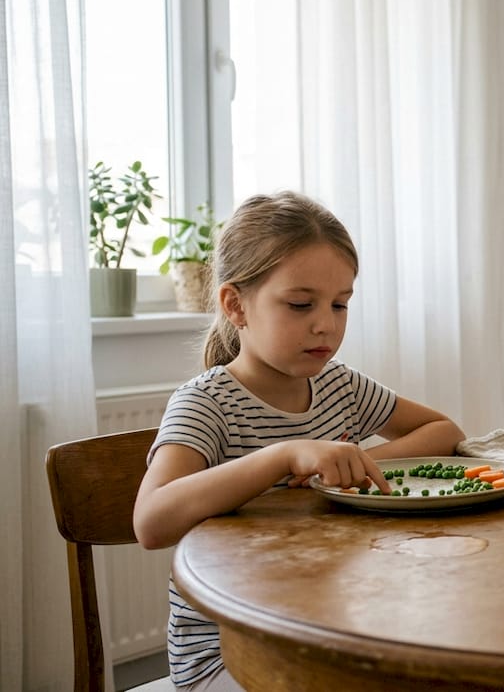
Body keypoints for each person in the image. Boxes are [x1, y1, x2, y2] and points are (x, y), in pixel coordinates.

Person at [134, 191, 466, 689]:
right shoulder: (207, 403)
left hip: (328, 631)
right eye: (300, 304)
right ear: (235, 305)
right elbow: (151, 522)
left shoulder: (340, 385)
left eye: (340, 304)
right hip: (228, 654)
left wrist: (355, 461)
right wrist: (283, 455)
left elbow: (444, 432)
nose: (325, 324)